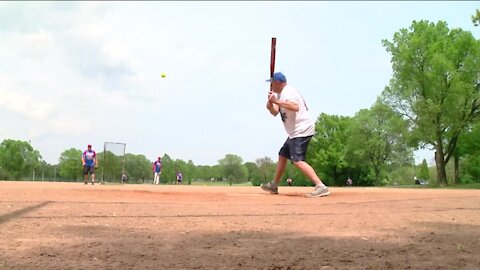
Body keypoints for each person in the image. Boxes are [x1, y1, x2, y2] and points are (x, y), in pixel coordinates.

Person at [261, 72, 330, 198]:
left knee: (297, 160)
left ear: (277, 82)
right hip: (294, 132)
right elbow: (275, 112)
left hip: (301, 129)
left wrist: (276, 101)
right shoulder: (280, 94)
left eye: (271, 83)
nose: (270, 86)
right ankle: (274, 185)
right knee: (282, 155)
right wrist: (270, 105)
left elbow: (295, 107)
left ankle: (321, 186)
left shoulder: (289, 92)